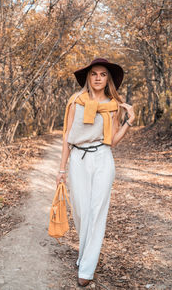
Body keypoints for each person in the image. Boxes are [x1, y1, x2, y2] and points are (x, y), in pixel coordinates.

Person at [56, 58, 135, 287]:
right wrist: (62, 168)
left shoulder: (113, 105)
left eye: (102, 74)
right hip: (78, 160)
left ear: (108, 79)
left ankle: (87, 268)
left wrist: (129, 122)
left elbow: (112, 142)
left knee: (97, 211)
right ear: (88, 78)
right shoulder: (76, 101)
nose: (98, 78)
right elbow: (66, 137)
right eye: (94, 74)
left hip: (102, 158)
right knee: (80, 211)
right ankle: (84, 254)